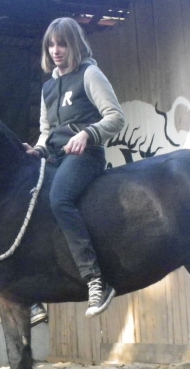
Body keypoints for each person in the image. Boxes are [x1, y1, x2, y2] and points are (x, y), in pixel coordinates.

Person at [24, 17, 126, 318]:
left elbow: (116, 117)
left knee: (59, 199)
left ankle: (96, 280)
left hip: (86, 155)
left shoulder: (90, 74)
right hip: (55, 156)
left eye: (62, 43)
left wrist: (88, 133)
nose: (56, 50)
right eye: (51, 45)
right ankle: (31, 290)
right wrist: (37, 148)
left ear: (75, 45)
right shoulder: (48, 88)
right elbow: (46, 130)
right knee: (27, 203)